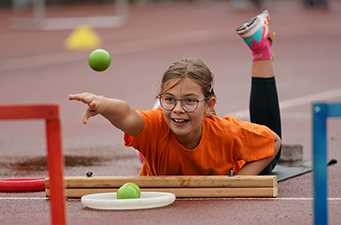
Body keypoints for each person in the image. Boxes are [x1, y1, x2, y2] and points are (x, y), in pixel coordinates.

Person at [69, 10, 281, 176]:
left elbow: (273, 141)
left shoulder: (226, 134)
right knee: (150, 140)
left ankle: (260, 50)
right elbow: (126, 114)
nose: (178, 109)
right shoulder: (155, 127)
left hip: (224, 153)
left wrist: (238, 182)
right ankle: (155, 130)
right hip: (159, 141)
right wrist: (103, 104)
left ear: (209, 104)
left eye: (189, 100)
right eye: (169, 100)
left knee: (272, 155)